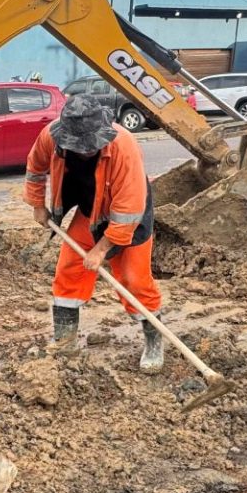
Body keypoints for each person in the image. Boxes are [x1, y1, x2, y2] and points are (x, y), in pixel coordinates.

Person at [24, 94, 164, 373]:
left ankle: (154, 340)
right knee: (69, 271)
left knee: (134, 280)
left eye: (91, 147)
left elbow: (129, 209)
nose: (86, 151)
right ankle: (65, 340)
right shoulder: (51, 137)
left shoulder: (124, 147)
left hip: (128, 217)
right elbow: (35, 168)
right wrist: (38, 205)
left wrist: (100, 250)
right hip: (90, 210)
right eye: (80, 147)